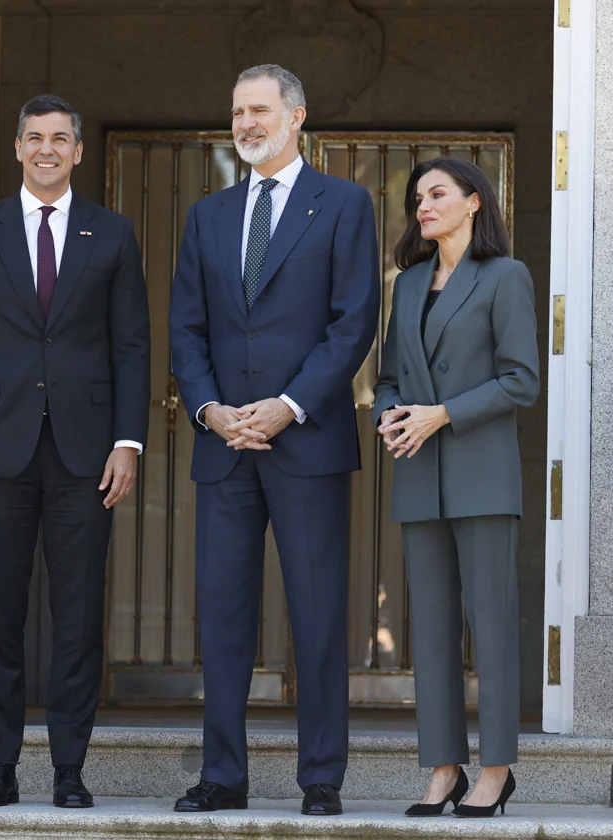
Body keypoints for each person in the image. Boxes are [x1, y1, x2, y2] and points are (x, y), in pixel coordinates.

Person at [168, 64, 380, 816]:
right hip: (225, 447)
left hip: (308, 441)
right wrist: (210, 411)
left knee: (318, 616)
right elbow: (186, 328)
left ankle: (320, 778)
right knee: (221, 617)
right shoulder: (208, 215)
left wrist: (290, 405)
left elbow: (353, 323)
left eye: (259, 109)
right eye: (237, 111)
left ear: (296, 116)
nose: (245, 122)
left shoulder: (346, 205)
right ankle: (222, 776)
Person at [0, 94, 151, 809]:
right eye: (36, 138)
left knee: (77, 617)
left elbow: (130, 344)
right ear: (18, 148)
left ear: (79, 151)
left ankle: (68, 769)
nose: (48, 149)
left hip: (88, 457)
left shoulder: (113, 234)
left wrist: (128, 440)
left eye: (61, 138)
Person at [373, 157, 539, 818]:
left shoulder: (506, 277)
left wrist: (443, 413)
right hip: (419, 477)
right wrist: (391, 412)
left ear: (474, 201)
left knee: (490, 628)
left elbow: (521, 379)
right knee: (432, 631)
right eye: (418, 197)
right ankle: (443, 768)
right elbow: (387, 375)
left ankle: (495, 770)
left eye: (437, 193)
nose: (424, 205)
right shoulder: (408, 284)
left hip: (482, 476)